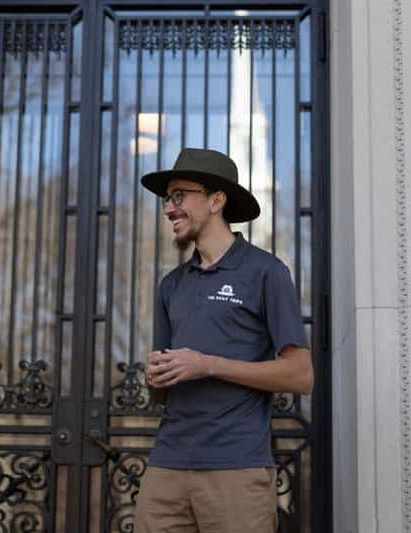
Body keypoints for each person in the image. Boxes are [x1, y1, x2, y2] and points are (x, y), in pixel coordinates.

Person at [133, 148, 314, 533]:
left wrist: (207, 364)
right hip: (167, 466)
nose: (168, 208)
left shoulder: (266, 272)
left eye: (179, 195)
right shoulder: (171, 286)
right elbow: (162, 389)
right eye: (167, 199)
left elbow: (301, 375)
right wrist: (158, 378)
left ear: (217, 200)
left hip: (237, 466)